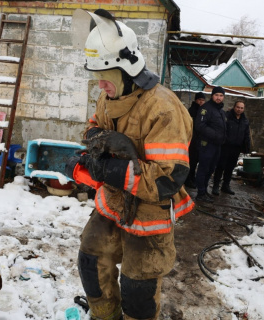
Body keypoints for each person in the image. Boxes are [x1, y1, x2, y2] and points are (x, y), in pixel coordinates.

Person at [65, 9, 194, 320]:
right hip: (113, 201)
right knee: (91, 262)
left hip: (149, 212)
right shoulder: (109, 98)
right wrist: (95, 139)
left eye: (105, 78)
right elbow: (92, 126)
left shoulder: (163, 108)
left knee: (138, 288)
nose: (100, 86)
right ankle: (104, 315)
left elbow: (167, 180)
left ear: (126, 70)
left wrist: (109, 169)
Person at [194, 86, 227, 203]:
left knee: (211, 169)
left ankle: (204, 191)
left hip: (217, 145)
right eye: (216, 95)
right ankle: (200, 193)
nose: (219, 98)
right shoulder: (206, 108)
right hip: (207, 145)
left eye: (221, 95)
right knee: (203, 168)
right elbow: (200, 126)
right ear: (212, 96)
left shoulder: (220, 111)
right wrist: (215, 135)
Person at [212, 100, 251, 195]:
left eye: (241, 108)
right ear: (234, 107)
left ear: (244, 109)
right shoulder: (227, 117)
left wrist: (246, 147)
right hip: (225, 147)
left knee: (230, 167)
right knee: (221, 166)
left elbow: (246, 135)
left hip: (236, 148)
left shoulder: (245, 120)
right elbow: (221, 130)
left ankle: (226, 185)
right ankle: (216, 186)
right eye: (238, 107)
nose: (239, 109)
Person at [184, 92, 206, 189]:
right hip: (192, 139)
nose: (201, 102)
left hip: (199, 140)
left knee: (195, 161)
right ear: (196, 100)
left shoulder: (203, 111)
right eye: (199, 100)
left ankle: (192, 178)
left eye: (203, 100)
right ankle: (188, 180)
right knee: (191, 161)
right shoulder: (192, 110)